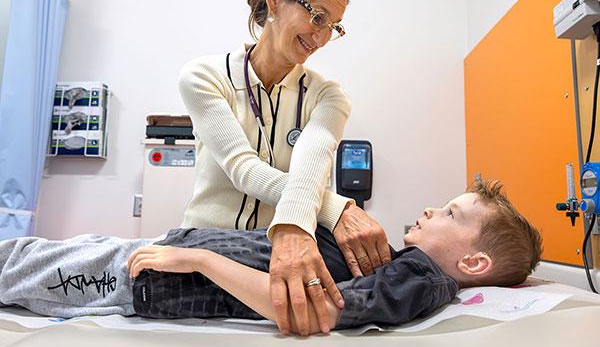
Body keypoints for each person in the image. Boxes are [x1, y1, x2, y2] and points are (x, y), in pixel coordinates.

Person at [0, 180, 542, 336]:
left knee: (20, 266)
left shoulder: (421, 279)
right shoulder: (403, 264)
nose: (431, 208)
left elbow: (317, 310)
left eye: (449, 213)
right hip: (160, 260)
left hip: (153, 277)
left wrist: (200, 261)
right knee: (28, 256)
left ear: (473, 265)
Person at [176, 0, 389, 334]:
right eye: (318, 17)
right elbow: (244, 169)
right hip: (206, 248)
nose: (322, 38)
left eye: (334, 27)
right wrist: (338, 208)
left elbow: (314, 163)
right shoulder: (204, 76)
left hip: (277, 258)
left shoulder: (327, 96)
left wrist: (312, 216)